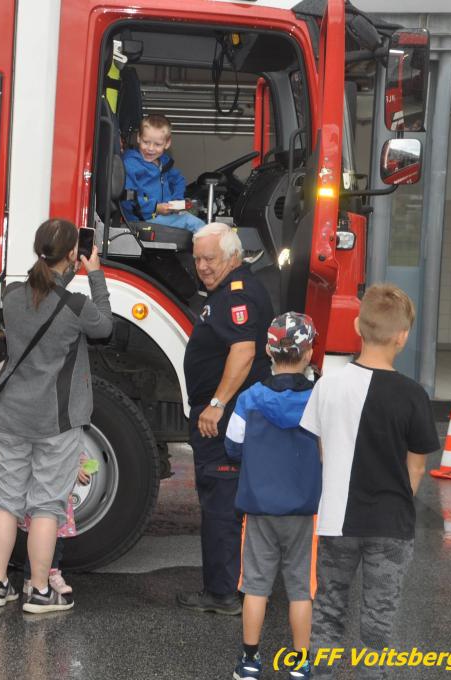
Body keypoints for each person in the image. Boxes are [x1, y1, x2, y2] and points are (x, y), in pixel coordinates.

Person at [300, 284, 440, 680]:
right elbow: (416, 468)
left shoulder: (327, 385)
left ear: (357, 326)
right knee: (378, 621)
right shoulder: (413, 395)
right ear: (403, 337)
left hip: (336, 521)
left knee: (328, 609)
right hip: (390, 523)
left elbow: (322, 449)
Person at [0, 218, 112, 614]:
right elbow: (104, 327)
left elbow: (38, 300)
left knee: (5, 501)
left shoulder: (11, 296)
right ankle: (39, 591)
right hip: (55, 420)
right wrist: (95, 274)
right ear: (73, 253)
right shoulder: (76, 306)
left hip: (10, 415)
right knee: (46, 506)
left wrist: (68, 268)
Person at [178, 222, 273, 614]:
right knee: (223, 500)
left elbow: (244, 351)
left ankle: (221, 593)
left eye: (210, 259)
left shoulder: (237, 295)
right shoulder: (229, 290)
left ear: (233, 256)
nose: (202, 266)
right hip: (225, 413)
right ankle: (229, 585)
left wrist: (216, 404)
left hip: (223, 417)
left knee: (221, 503)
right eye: (198, 259)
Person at [226, 312, 320, 680]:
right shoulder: (317, 399)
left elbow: (233, 446)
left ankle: (250, 660)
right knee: (300, 589)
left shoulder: (250, 398)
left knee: (255, 587)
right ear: (308, 353)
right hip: (303, 509)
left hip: (260, 508)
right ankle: (300, 663)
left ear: (268, 350)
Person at [120, 114, 206, 234]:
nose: (150, 148)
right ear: (138, 138)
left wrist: (176, 201)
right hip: (142, 219)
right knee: (194, 223)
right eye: (146, 142)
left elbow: (178, 180)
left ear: (167, 143)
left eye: (157, 144)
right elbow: (128, 199)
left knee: (196, 215)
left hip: (163, 215)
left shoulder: (163, 163)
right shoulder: (131, 164)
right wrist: (155, 208)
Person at [21, 460, 94, 597]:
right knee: (42, 542)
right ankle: (35, 577)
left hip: (55, 499)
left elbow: (82, 463)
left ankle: (39, 577)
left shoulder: (74, 450)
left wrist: (83, 469)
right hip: (45, 498)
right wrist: (74, 469)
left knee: (52, 543)